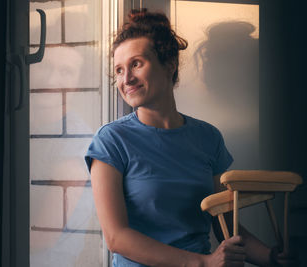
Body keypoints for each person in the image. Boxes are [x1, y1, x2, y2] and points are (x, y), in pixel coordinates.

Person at [85, 9, 296, 267]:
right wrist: (203, 263)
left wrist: (271, 257)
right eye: (119, 70)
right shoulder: (111, 141)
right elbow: (117, 238)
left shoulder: (208, 138)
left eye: (136, 64)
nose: (126, 79)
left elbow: (225, 222)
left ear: (170, 63)